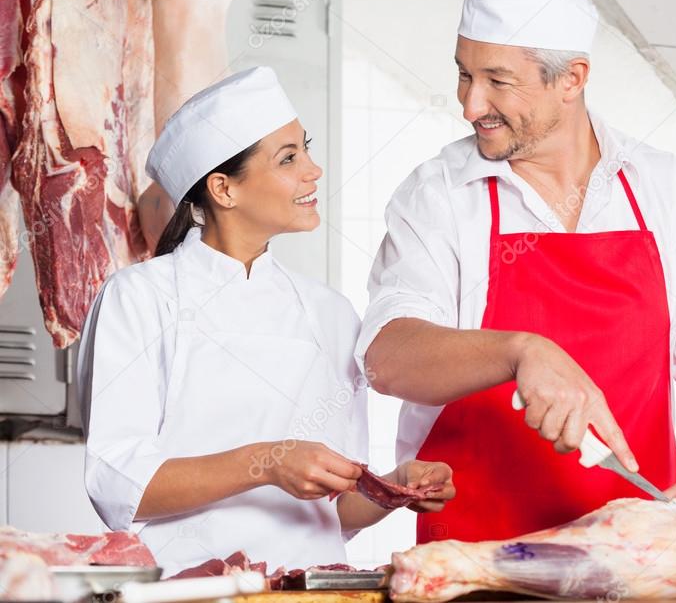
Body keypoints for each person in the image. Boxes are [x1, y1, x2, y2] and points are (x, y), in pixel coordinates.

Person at [358, 0, 676, 543]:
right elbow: (386, 356)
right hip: (479, 562)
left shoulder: (661, 187)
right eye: (464, 75)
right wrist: (520, 351)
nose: (471, 104)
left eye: (498, 81)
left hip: (644, 552)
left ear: (572, 78)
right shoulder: (439, 195)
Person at [77, 67, 454, 574]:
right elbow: (118, 484)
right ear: (223, 189)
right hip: (189, 588)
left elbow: (337, 513)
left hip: (309, 588)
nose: (313, 171)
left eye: (307, 149)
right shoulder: (140, 297)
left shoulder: (331, 313)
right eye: (289, 158)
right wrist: (268, 463)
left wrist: (394, 487)